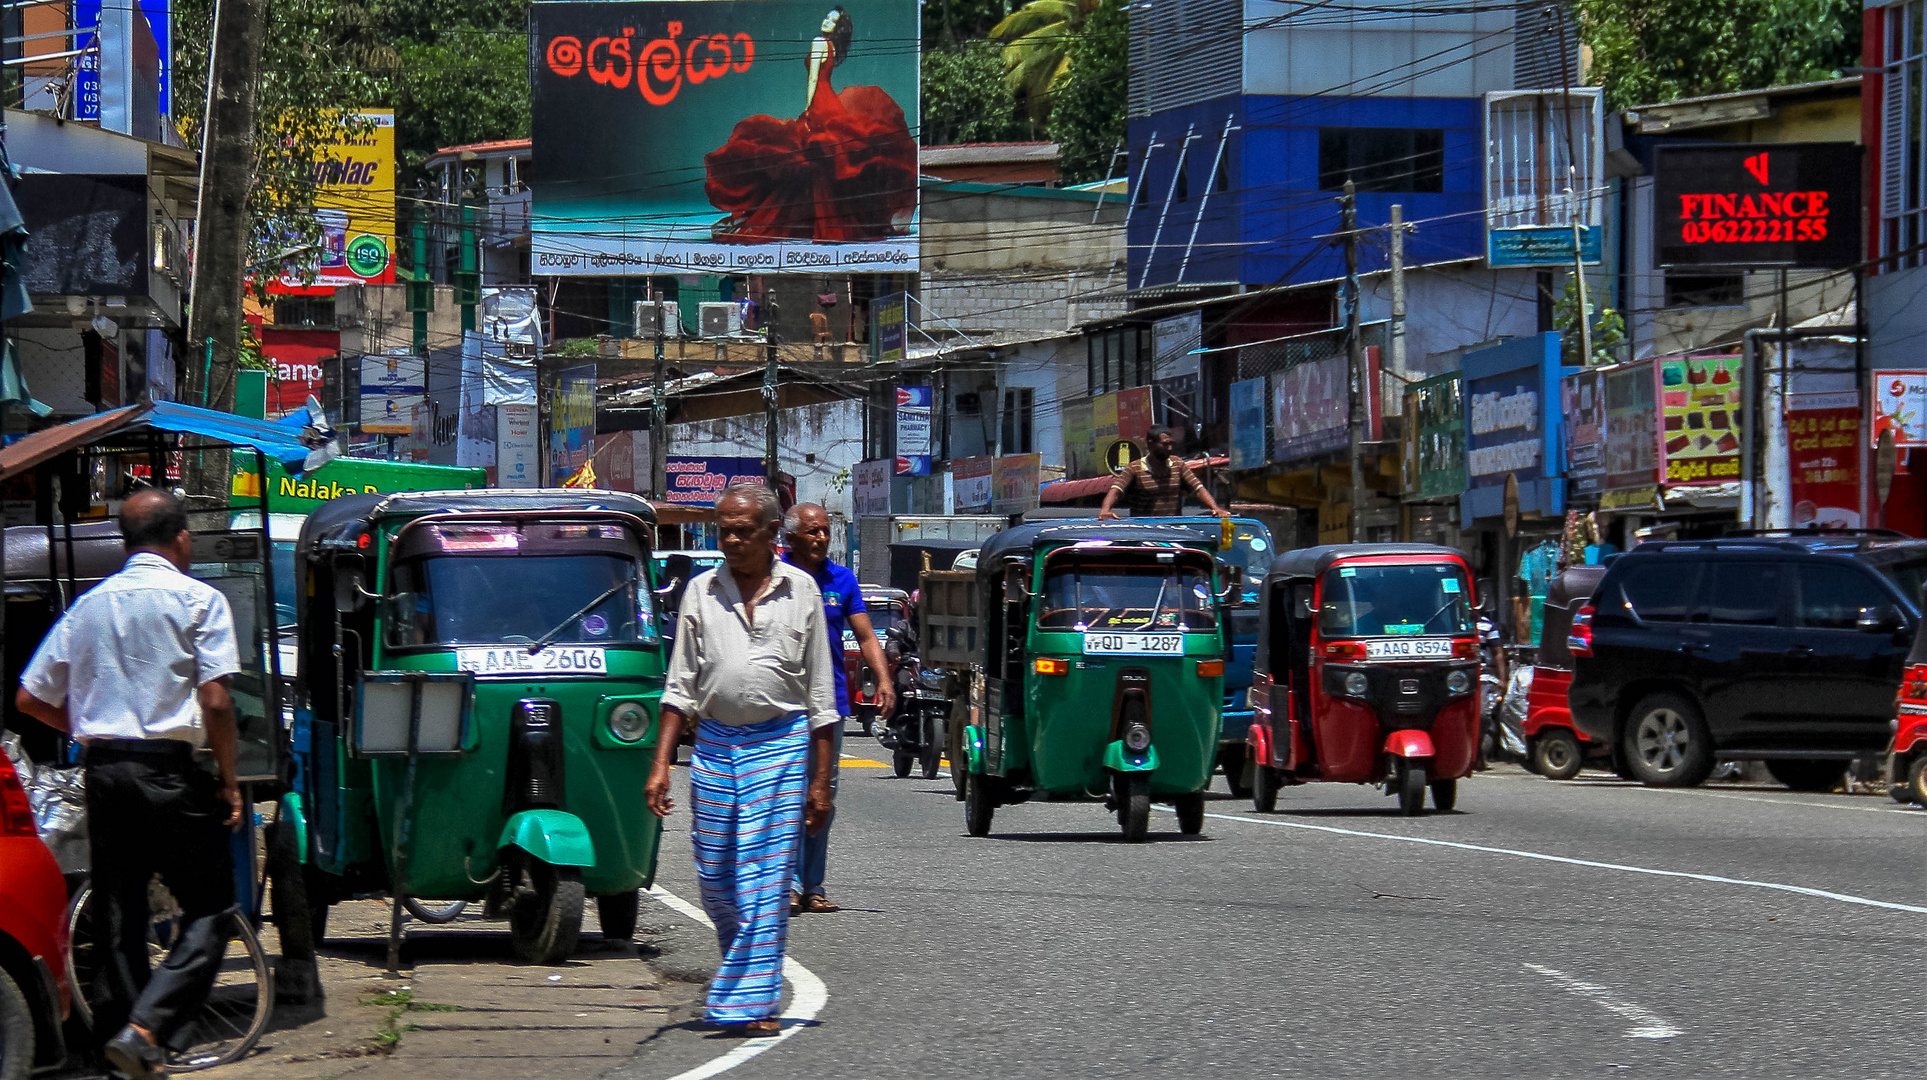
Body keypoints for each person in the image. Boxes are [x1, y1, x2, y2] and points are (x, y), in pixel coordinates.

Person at [14, 490, 243, 1080]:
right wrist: (229, 780)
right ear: (182, 539)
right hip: (167, 771)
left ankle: (122, 1045)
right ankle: (148, 1028)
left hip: (104, 773)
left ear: (125, 541)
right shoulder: (200, 599)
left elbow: (29, 698)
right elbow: (216, 700)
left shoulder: (91, 605)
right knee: (212, 905)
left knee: (120, 908)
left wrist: (86, 729)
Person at [644, 482, 837, 1036]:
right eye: (723, 528)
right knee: (716, 879)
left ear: (773, 534)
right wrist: (660, 766)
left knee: (764, 878)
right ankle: (746, 976)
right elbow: (678, 687)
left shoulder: (802, 591)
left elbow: (821, 698)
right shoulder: (701, 592)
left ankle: (751, 1001)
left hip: (780, 745)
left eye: (742, 529)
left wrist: (820, 784)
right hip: (715, 749)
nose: (729, 538)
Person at [703, 7, 917, 242]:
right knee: (824, 164)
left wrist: (808, 111)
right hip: (830, 102)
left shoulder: (819, 43)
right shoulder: (833, 48)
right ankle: (827, 223)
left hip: (820, 103)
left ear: (837, 27)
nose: (826, 21)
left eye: (832, 20)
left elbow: (814, 78)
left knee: (809, 158)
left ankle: (787, 220)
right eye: (827, 17)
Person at [781, 503, 892, 915]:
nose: (822, 538)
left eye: (825, 531)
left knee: (822, 792)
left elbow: (864, 635)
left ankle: (814, 885)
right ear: (791, 538)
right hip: (786, 701)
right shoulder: (778, 576)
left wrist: (883, 679)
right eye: (813, 532)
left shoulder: (842, 580)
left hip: (830, 703)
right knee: (792, 792)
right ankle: (789, 884)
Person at [1097, 425, 1231, 520]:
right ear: (1151, 444)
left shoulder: (1177, 464)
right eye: (1165, 444)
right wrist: (1105, 510)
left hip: (1172, 529)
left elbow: (1198, 488)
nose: (1170, 448)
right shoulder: (1135, 468)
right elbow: (1116, 490)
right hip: (1145, 531)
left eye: (1171, 444)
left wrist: (1215, 507)